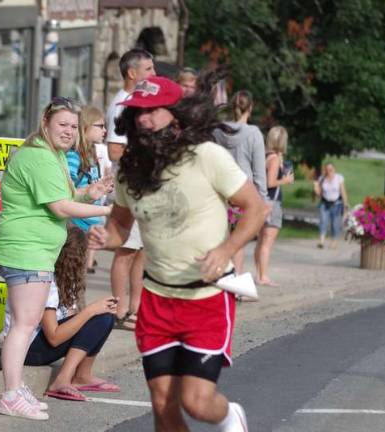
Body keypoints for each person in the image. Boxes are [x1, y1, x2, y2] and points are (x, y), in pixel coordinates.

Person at [88, 74, 265, 432]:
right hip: (157, 300)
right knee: (163, 406)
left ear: (176, 114)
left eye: (154, 110)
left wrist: (227, 248)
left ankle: (231, 416)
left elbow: (256, 208)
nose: (144, 118)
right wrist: (102, 237)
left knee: (196, 402)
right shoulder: (130, 173)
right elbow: (120, 228)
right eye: (138, 111)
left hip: (207, 299)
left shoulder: (206, 157)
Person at [0, 97, 111, 420]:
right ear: (45, 122)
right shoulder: (39, 157)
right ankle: (11, 394)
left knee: (24, 325)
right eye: (63, 125)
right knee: (24, 326)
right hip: (26, 250)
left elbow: (65, 196)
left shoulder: (53, 155)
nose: (69, 131)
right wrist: (108, 209)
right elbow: (59, 207)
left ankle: (16, 389)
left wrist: (91, 192)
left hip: (35, 251)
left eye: (74, 126)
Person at [3, 227, 119, 402]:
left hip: (41, 343)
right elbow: (54, 337)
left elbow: (72, 320)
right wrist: (91, 310)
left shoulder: (66, 278)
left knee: (104, 317)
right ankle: (62, 380)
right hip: (26, 351)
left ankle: (82, 376)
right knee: (95, 315)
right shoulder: (46, 281)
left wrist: (96, 312)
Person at [105, 48, 156, 329]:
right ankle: (118, 308)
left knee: (140, 249)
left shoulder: (138, 102)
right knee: (126, 250)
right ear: (132, 73)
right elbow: (114, 150)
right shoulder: (123, 104)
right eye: (148, 69)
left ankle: (135, 309)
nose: (154, 75)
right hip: (130, 186)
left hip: (143, 185)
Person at [213, 90, 268, 274]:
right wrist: (263, 202)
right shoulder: (254, 134)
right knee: (238, 242)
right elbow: (259, 173)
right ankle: (235, 284)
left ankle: (219, 279)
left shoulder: (218, 130)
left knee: (219, 239)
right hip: (243, 194)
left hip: (219, 192)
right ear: (250, 108)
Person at [67, 106, 112, 273]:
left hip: (87, 224)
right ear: (85, 127)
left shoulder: (91, 154)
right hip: (76, 226)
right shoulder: (74, 156)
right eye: (100, 126)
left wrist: (101, 187)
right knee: (72, 277)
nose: (105, 130)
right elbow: (67, 189)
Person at [254, 126, 294, 287]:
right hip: (272, 203)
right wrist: (286, 180)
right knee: (266, 242)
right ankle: (263, 276)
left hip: (261, 201)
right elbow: (270, 183)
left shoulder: (266, 157)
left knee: (261, 241)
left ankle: (259, 273)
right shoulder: (274, 160)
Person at [314, 162, 349, 249]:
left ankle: (334, 241)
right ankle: (321, 241)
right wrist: (316, 188)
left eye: (330, 170)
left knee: (335, 224)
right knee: (323, 221)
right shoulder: (322, 179)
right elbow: (319, 194)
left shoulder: (339, 178)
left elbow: (343, 192)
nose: (329, 171)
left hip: (336, 204)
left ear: (334, 170)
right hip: (325, 203)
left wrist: (345, 205)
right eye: (327, 170)